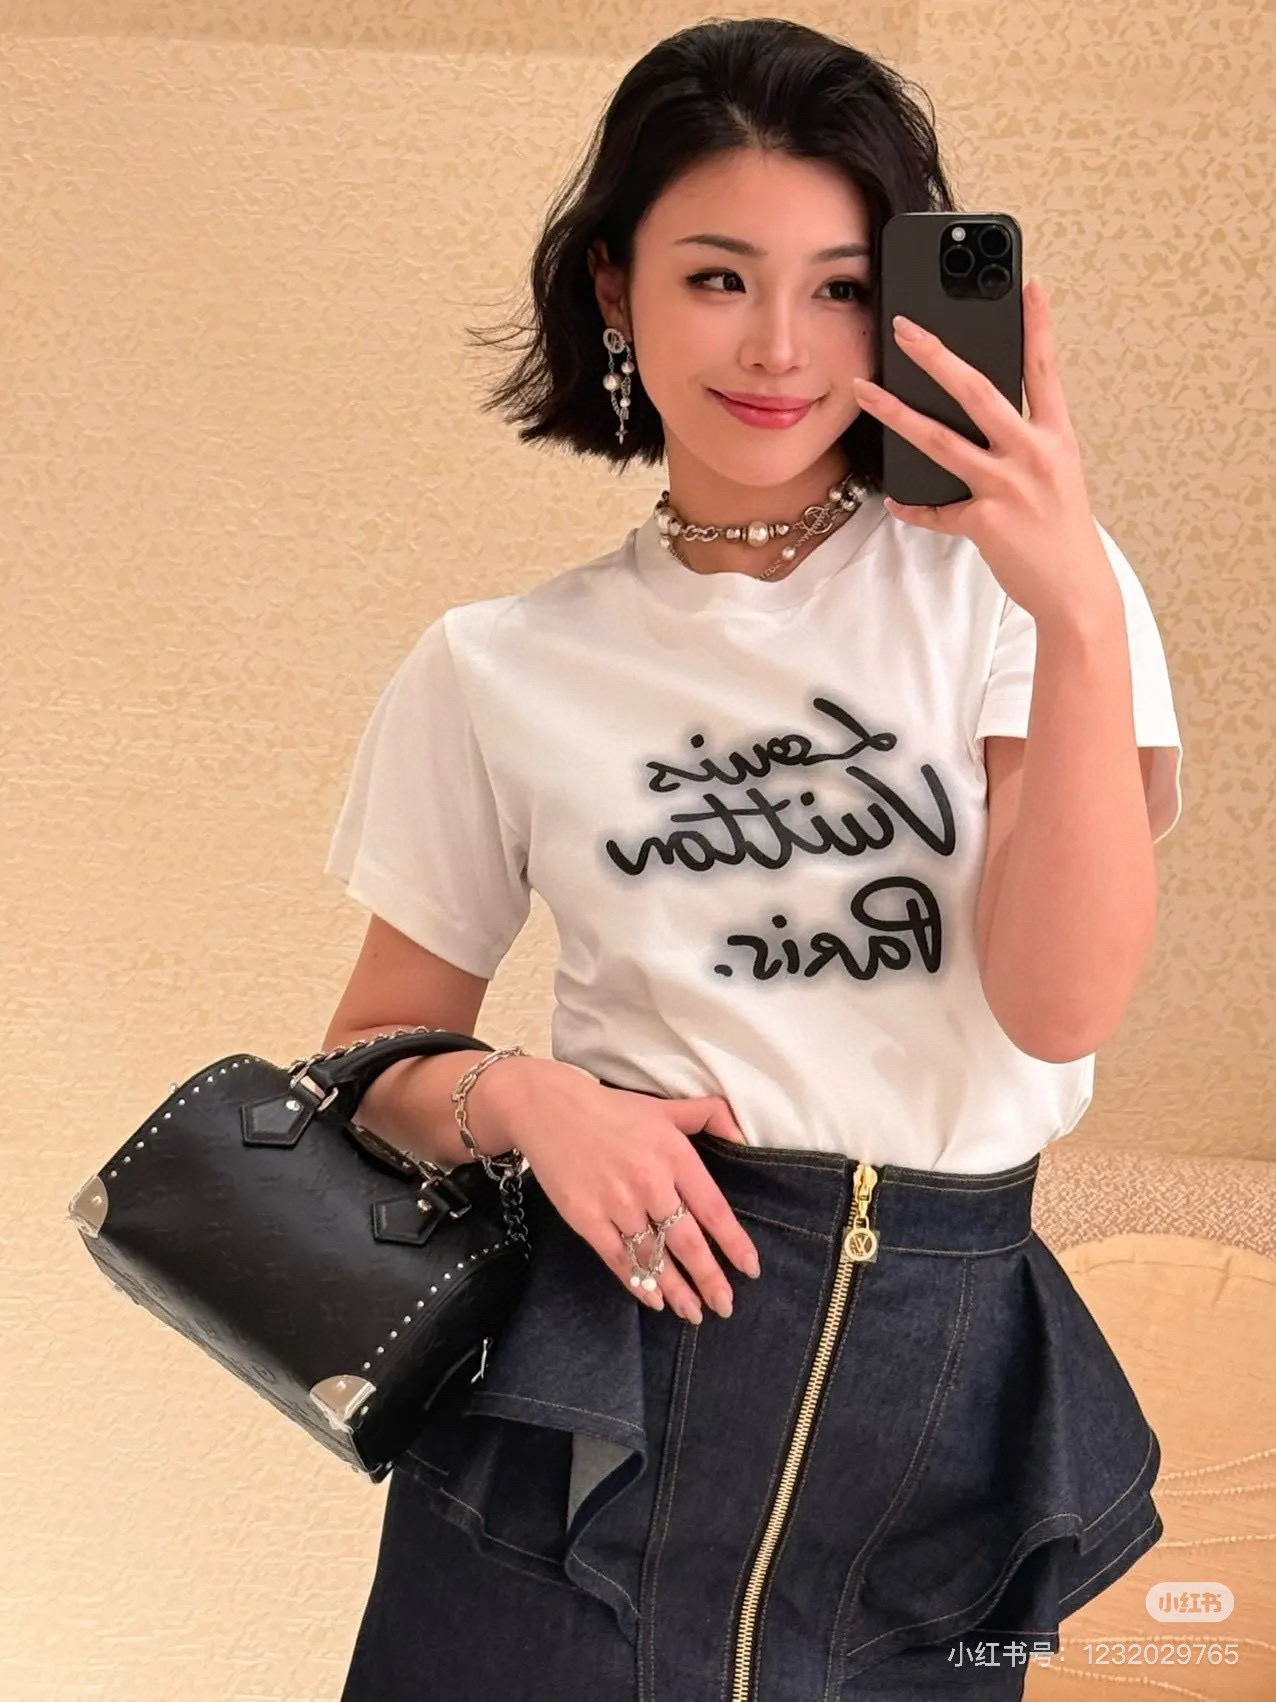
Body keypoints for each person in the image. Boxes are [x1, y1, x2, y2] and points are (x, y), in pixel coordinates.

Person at [324, 19, 1183, 1701]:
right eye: (718, 277)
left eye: (841, 287)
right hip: (597, 1385)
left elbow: (1061, 1004)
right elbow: (369, 1063)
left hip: (931, 1427)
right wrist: (530, 1100)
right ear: (613, 286)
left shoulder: (1027, 599)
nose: (781, 345)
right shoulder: (498, 664)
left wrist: (1075, 602)